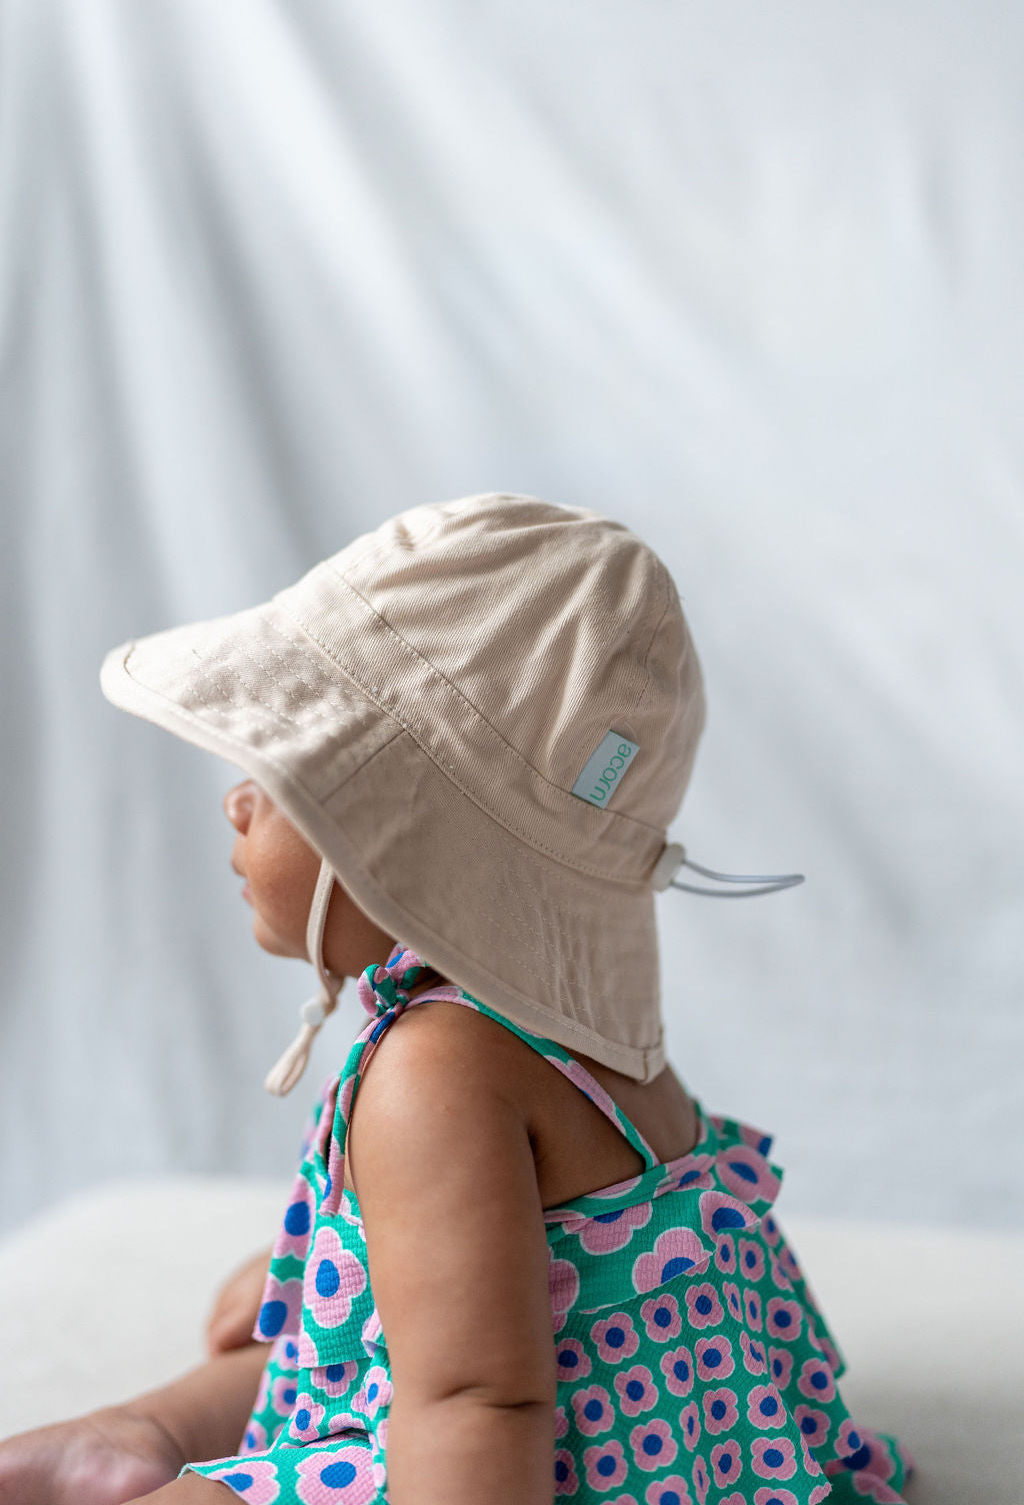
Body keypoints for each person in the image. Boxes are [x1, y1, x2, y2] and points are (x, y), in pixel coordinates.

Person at [0, 493, 915, 1505]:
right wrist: (323, 1267)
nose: (235, 798)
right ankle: (143, 1430)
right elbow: (530, 1264)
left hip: (524, 1473)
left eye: (280, 773)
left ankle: (166, 1459)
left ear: (403, 845)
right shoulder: (579, 1027)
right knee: (312, 1344)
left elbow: (481, 1404)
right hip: (688, 1435)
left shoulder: (433, 1070)